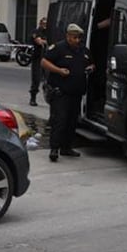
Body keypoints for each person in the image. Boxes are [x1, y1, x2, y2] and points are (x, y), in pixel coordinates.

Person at [41, 23, 94, 162]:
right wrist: (59, 70)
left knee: (71, 122)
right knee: (60, 121)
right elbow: (44, 62)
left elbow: (92, 63)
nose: (77, 40)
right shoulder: (59, 48)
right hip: (61, 93)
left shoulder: (83, 50)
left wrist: (90, 68)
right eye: (75, 37)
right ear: (68, 36)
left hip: (76, 93)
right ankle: (54, 149)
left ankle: (66, 148)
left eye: (79, 38)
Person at [28, 16, 49, 107]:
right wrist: (44, 41)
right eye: (43, 23)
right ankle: (33, 98)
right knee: (36, 79)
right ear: (40, 24)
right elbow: (38, 41)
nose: (45, 25)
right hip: (38, 58)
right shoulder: (36, 32)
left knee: (49, 79)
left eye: (46, 24)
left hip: (48, 59)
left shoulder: (49, 32)